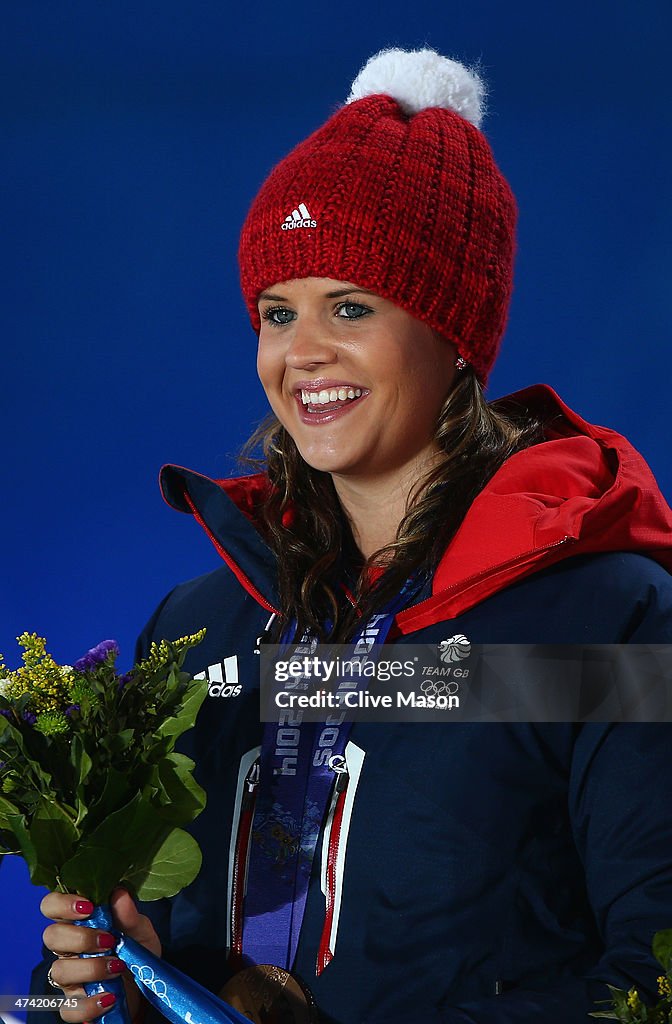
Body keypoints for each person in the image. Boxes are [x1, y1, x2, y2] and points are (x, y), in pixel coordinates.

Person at [38, 47, 672, 1024]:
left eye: (352, 306)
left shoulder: (607, 621)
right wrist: (113, 980)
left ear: (454, 330)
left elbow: (655, 985)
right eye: (277, 312)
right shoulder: (205, 632)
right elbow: (145, 944)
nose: (303, 353)